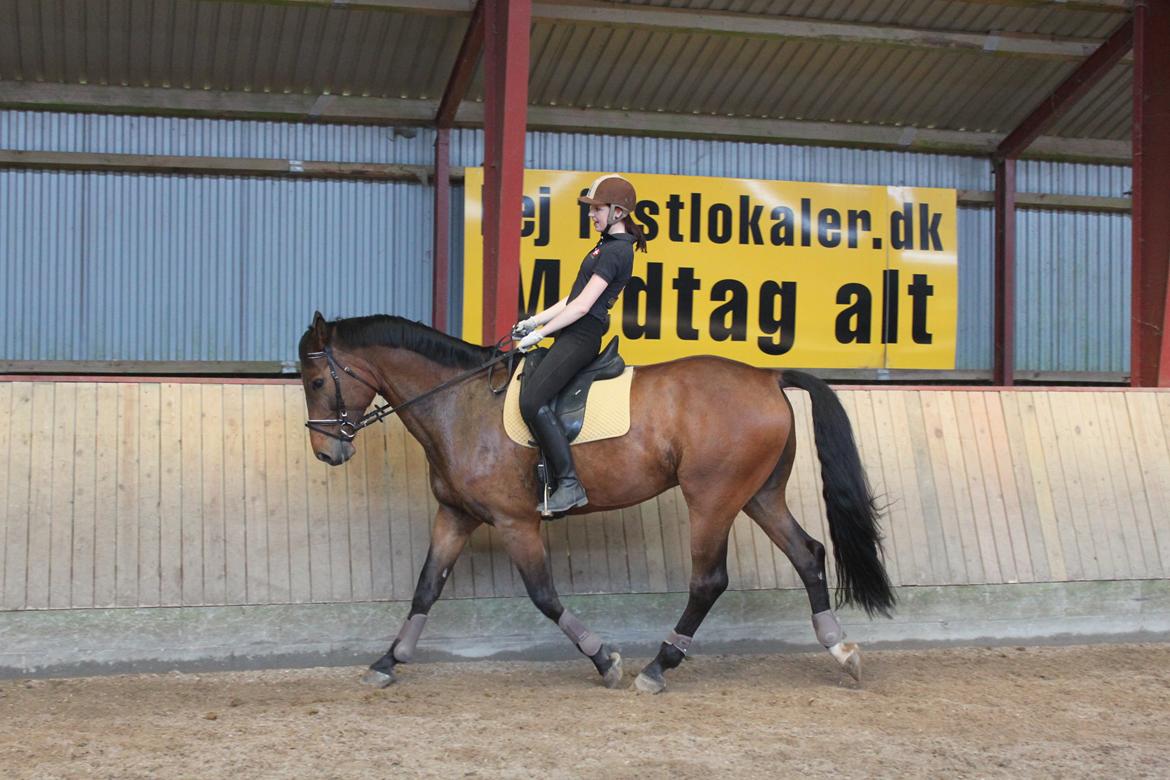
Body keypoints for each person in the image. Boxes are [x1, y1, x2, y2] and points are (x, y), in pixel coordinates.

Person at [513, 174, 648, 517]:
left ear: (618, 212)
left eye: (597, 209)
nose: (591, 215)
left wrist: (539, 335)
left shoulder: (617, 252)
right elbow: (571, 299)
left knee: (531, 401)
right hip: (571, 330)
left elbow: (583, 307)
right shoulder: (603, 246)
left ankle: (570, 483)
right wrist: (535, 320)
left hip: (582, 336)